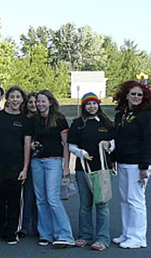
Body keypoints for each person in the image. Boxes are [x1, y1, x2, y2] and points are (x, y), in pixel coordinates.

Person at [111, 80, 151, 249]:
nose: (136, 97)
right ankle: (127, 233)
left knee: (136, 200)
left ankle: (138, 237)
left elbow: (149, 142)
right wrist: (113, 159)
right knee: (125, 200)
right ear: (126, 95)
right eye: (133, 94)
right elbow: (118, 139)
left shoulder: (147, 117)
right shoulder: (122, 115)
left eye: (140, 94)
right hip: (123, 163)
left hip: (138, 165)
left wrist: (144, 166)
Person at [0, 85, 31, 245]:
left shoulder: (25, 121)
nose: (15, 100)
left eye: (18, 97)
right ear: (7, 99)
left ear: (22, 100)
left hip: (16, 165)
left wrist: (25, 168)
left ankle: (11, 232)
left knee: (14, 200)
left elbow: (26, 146)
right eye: (12, 97)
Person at [68, 92, 114, 251]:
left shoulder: (106, 122)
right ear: (84, 106)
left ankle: (102, 238)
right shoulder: (77, 123)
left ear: (98, 105)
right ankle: (85, 235)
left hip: (101, 168)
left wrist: (109, 145)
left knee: (101, 204)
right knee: (85, 204)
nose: (92, 106)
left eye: (94, 103)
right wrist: (81, 153)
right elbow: (71, 146)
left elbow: (114, 142)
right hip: (83, 169)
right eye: (88, 104)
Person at [30, 90, 74, 248]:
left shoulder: (59, 119)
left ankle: (65, 235)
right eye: (38, 101)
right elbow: (33, 139)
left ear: (50, 102)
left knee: (53, 198)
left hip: (53, 161)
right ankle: (45, 234)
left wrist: (66, 166)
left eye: (43, 101)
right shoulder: (34, 120)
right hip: (37, 161)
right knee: (40, 199)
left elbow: (66, 144)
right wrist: (32, 144)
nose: (40, 104)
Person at [18, 91, 38, 238]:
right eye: (30, 102)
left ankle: (38, 226)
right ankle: (24, 226)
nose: (33, 105)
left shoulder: (44, 119)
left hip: (40, 160)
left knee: (40, 195)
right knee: (27, 194)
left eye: (35, 102)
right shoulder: (23, 120)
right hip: (24, 159)